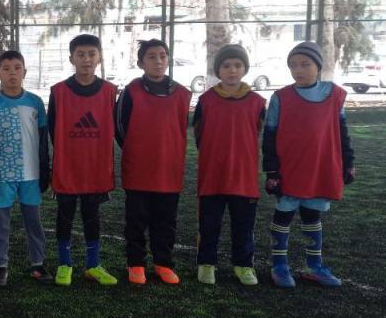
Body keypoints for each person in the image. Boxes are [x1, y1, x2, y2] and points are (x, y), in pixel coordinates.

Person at [263, 41, 355, 288]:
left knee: (312, 215)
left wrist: (348, 162)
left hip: (320, 168)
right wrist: (271, 170)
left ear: (318, 66)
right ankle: (279, 266)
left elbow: (342, 132)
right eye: (293, 65)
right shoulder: (280, 97)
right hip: (290, 169)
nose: (298, 70)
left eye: (305, 64)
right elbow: (269, 136)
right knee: (284, 215)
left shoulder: (335, 95)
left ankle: (314, 266)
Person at [115, 38, 191, 285]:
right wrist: (137, 151)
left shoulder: (182, 93)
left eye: (162, 56)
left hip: (169, 170)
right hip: (138, 169)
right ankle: (136, 264)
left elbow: (182, 128)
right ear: (141, 63)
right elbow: (119, 126)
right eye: (151, 57)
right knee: (136, 221)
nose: (158, 61)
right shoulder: (131, 91)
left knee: (166, 221)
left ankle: (163, 263)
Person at [47, 34, 119, 287]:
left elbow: (116, 128)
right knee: (64, 216)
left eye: (91, 54)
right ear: (72, 58)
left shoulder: (110, 91)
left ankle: (93, 265)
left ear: (99, 58)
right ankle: (64, 264)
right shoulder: (58, 91)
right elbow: (53, 128)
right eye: (81, 54)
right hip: (67, 168)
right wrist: (66, 155)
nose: (86, 59)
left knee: (92, 216)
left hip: (96, 168)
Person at [193, 45, 266, 286]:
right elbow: (199, 134)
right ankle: (206, 263)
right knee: (209, 224)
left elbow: (257, 131)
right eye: (226, 66)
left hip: (244, 178)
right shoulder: (206, 100)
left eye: (237, 65)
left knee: (243, 226)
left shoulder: (257, 102)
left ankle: (243, 265)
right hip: (212, 176)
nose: (232, 70)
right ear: (218, 70)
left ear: (245, 68)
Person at [0, 50, 51, 287]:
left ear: (24, 72)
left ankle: (37, 263)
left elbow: (43, 139)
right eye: (6, 69)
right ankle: (0, 266)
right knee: (1, 224)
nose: (12, 73)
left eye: (17, 68)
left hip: (31, 175)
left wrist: (45, 168)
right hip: (3, 175)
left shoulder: (35, 102)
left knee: (33, 222)